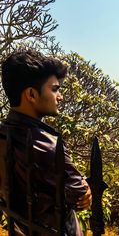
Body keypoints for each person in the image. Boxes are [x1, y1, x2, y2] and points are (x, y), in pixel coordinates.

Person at [0, 50, 92, 236]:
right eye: (55, 89)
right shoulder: (47, 147)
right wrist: (85, 185)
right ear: (32, 95)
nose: (60, 97)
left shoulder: (2, 131)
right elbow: (80, 195)